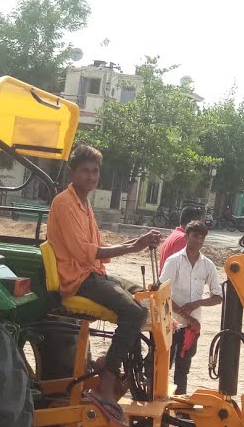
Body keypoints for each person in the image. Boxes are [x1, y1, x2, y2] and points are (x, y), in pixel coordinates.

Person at [46, 144, 161, 411]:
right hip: (77, 279)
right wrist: (135, 246)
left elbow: (98, 249)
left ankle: (116, 367)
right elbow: (85, 252)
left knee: (146, 299)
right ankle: (107, 381)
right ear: (73, 173)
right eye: (85, 171)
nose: (91, 176)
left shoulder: (85, 204)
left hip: (93, 273)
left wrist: (140, 241)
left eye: (95, 171)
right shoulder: (65, 203)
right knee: (133, 313)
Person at [159, 220, 223, 395]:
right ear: (187, 237)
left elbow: (218, 297)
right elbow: (161, 294)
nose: (199, 240)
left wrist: (197, 304)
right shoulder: (174, 261)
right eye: (195, 236)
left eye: (202, 237)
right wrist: (185, 314)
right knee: (162, 366)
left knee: (183, 369)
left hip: (192, 327)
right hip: (170, 323)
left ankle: (179, 406)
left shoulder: (208, 265)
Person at [159, 204, 204, 271]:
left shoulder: (175, 234)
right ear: (191, 223)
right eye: (199, 223)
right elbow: (183, 269)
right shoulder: (183, 239)